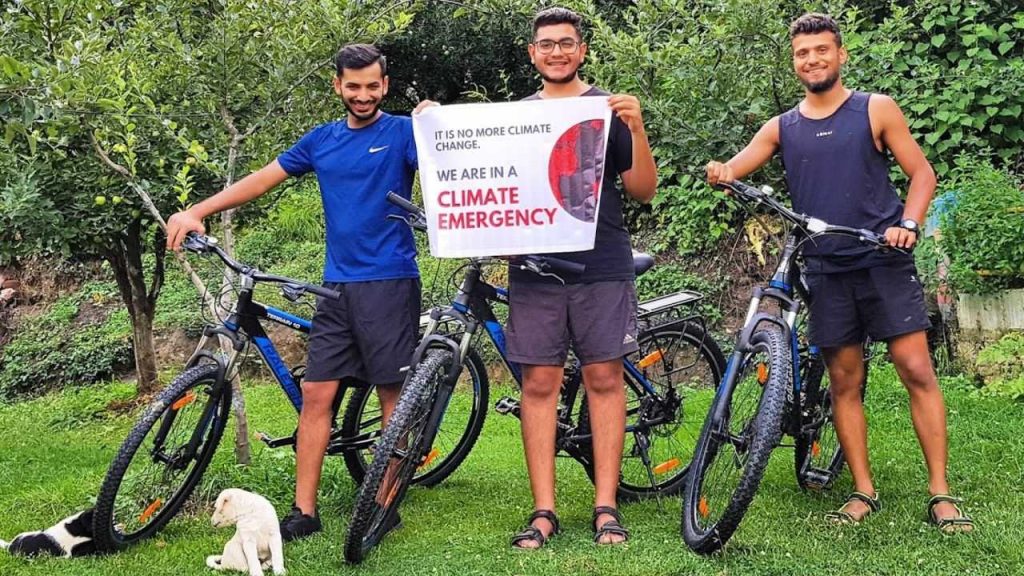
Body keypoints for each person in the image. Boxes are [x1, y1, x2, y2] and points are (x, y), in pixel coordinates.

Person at [705, 13, 973, 533]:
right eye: (803, 53)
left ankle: (940, 492)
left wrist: (910, 223)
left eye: (822, 50)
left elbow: (922, 173)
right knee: (844, 382)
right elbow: (738, 166)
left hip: (882, 257)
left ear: (841, 54)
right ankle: (862, 490)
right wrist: (722, 172)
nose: (813, 60)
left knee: (916, 369)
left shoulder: (875, 109)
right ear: (794, 62)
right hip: (825, 267)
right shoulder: (783, 126)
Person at [165, 43, 422, 541]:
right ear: (338, 86)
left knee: (393, 392)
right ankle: (304, 511)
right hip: (336, 285)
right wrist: (198, 209)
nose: (363, 94)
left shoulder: (402, 133)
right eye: (354, 86)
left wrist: (437, 124)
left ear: (384, 85)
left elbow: (453, 163)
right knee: (316, 391)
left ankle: (386, 500)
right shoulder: (321, 140)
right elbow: (262, 181)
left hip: (390, 279)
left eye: (372, 85)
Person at [507, 7, 657, 549]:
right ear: (532, 53)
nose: (556, 52)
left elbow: (643, 189)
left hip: (601, 266)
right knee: (539, 384)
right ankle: (543, 510)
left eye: (566, 43)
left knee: (604, 379)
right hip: (534, 271)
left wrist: (637, 129)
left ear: (582, 50)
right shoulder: (514, 116)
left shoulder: (609, 110)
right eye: (546, 44)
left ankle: (606, 507)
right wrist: (433, 122)